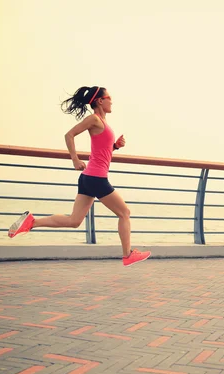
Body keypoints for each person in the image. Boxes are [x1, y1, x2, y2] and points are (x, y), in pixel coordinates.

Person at [8, 86, 151, 267]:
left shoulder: (102, 122)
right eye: (109, 98)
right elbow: (69, 135)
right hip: (96, 178)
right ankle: (127, 254)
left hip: (89, 178)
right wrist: (75, 159)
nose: (112, 101)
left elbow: (101, 150)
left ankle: (32, 222)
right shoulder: (94, 119)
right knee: (125, 213)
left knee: (74, 221)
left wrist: (115, 146)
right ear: (100, 100)